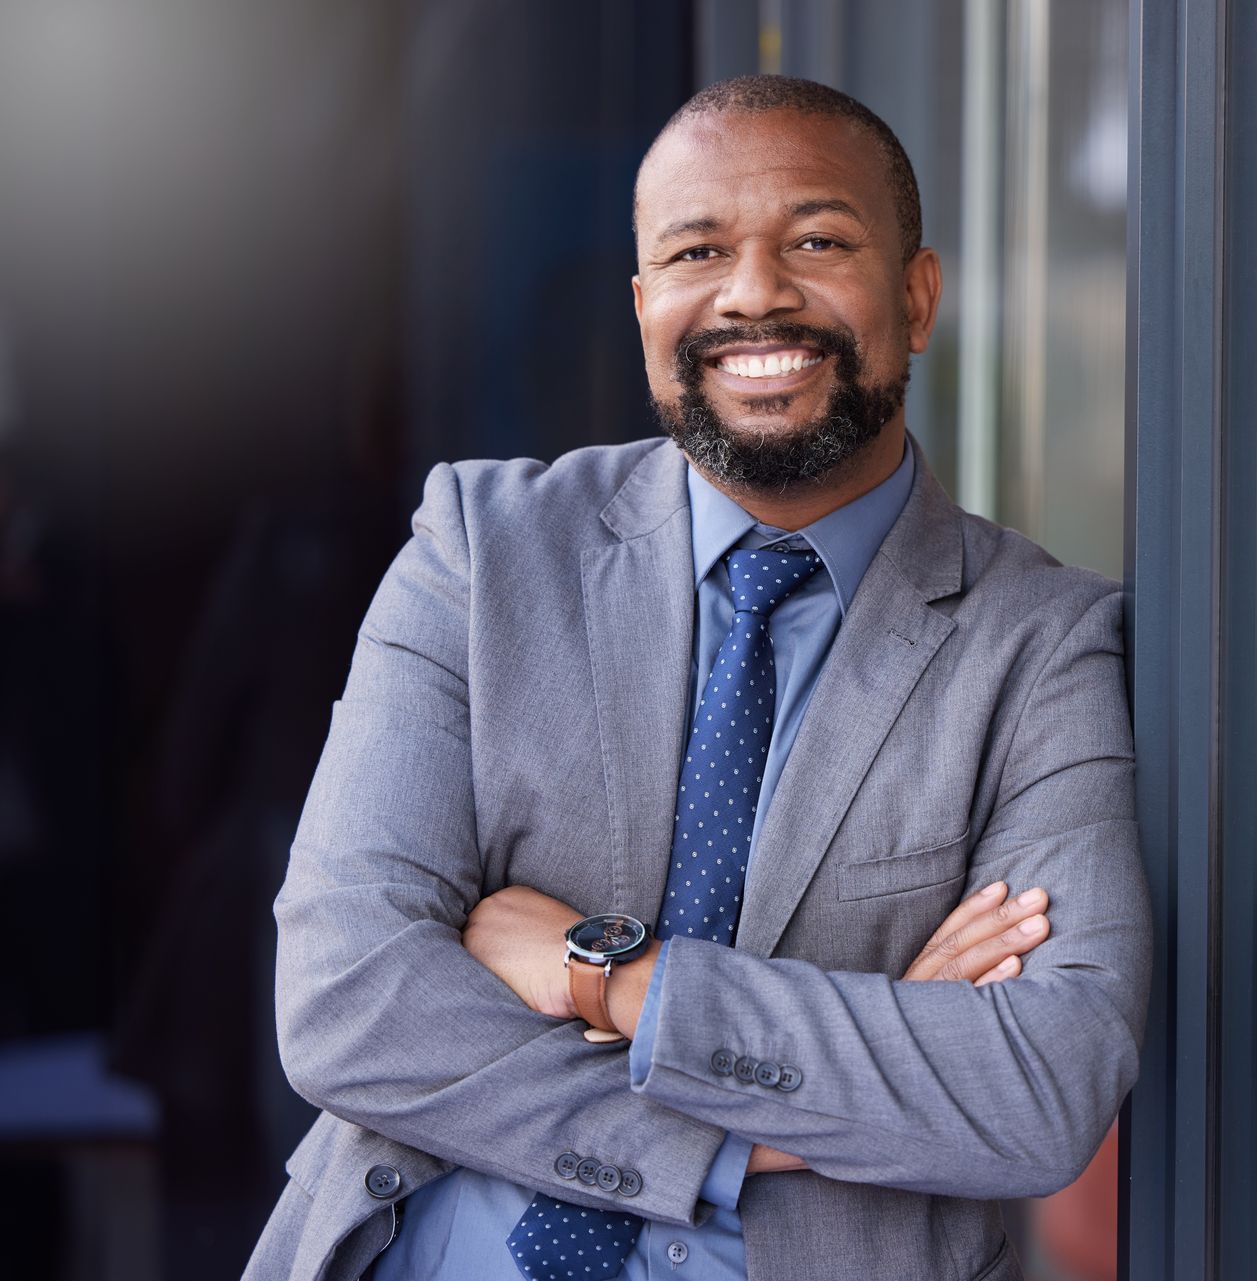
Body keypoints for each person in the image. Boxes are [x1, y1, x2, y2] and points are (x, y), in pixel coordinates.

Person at [244, 75, 1148, 1281]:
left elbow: (1039, 1085)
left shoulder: (1045, 641)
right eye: (697, 250)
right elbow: (346, 1001)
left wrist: (607, 975)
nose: (755, 292)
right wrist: (774, 1126)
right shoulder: (481, 549)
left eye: (818, 241)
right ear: (642, 304)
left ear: (918, 296)